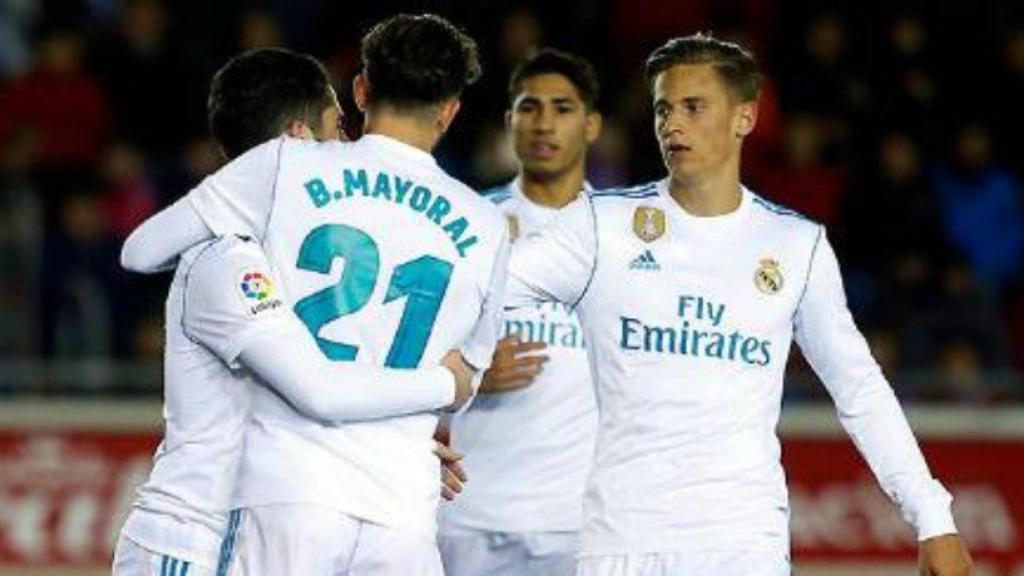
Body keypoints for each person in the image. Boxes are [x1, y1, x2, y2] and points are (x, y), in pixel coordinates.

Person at [502, 33, 973, 576]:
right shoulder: (600, 226)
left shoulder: (796, 245)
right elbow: (479, 290)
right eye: (663, 108)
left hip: (743, 542)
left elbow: (859, 389)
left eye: (693, 107)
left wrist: (933, 515)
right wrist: (428, 396)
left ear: (744, 117)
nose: (672, 124)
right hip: (624, 540)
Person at [120, 15, 507, 575]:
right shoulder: (488, 224)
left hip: (290, 491)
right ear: (451, 110)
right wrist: (437, 393)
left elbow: (141, 250)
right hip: (404, 511)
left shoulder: (284, 166)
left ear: (361, 91)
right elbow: (462, 383)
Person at [439, 48, 602, 576]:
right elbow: (408, 344)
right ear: (509, 122)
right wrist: (468, 376)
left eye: (562, 108)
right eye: (529, 108)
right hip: (470, 514)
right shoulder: (465, 224)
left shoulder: (625, 237)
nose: (544, 123)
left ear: (592, 125)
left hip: (582, 522)